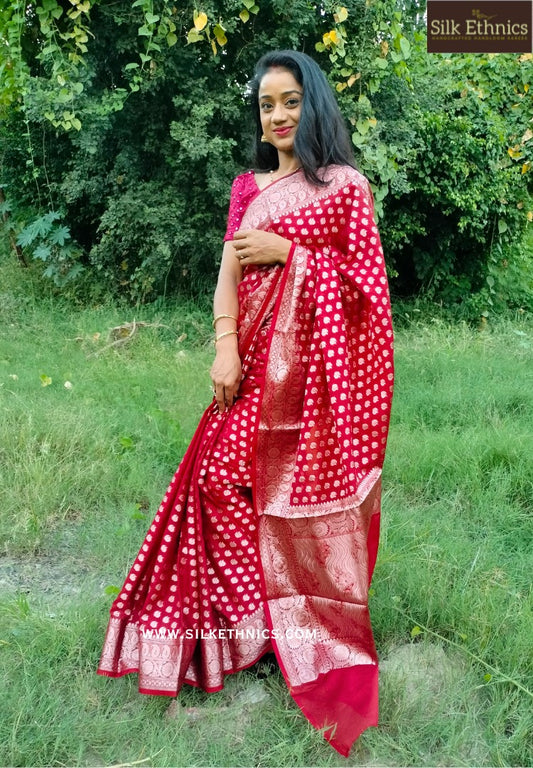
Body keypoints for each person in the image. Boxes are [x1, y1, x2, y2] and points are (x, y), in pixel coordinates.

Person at [97, 49, 394, 757]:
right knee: (221, 482)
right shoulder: (250, 187)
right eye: (267, 104)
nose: (278, 115)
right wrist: (224, 347)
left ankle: (293, 629)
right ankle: (250, 628)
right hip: (251, 367)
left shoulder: (345, 187)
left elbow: (366, 293)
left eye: (290, 100)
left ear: (312, 104)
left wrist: (293, 258)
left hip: (315, 386)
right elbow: (227, 274)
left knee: (287, 495)